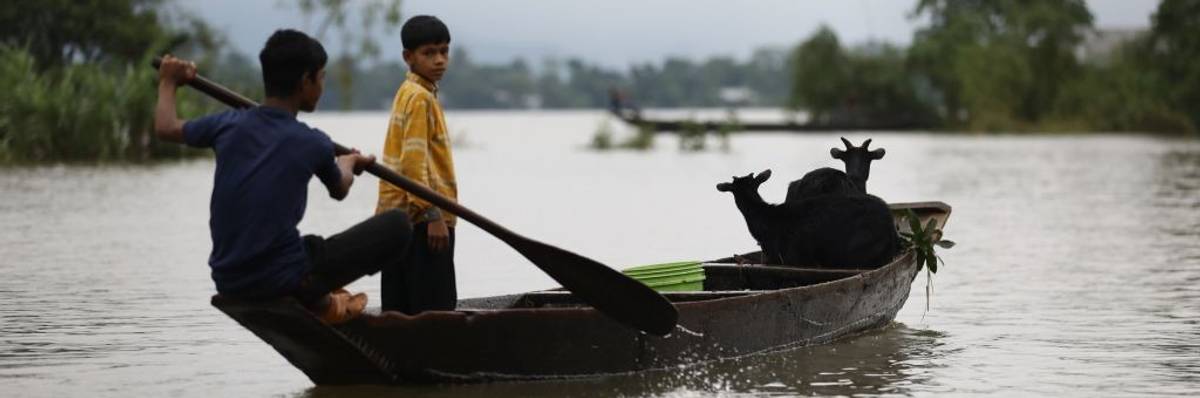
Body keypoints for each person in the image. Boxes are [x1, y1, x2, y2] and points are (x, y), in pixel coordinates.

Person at [153, 29, 412, 324]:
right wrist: (350, 163)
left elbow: (166, 126)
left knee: (307, 246)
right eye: (322, 77)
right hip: (280, 277)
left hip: (228, 278)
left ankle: (323, 297)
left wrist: (168, 81)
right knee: (398, 225)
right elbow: (340, 188)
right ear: (305, 81)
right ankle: (323, 302)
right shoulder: (313, 141)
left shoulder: (229, 124)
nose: (322, 85)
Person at [376, 15, 458, 315]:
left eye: (444, 51)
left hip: (399, 222)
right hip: (423, 221)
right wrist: (432, 213)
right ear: (408, 57)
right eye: (429, 53)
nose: (439, 60)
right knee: (435, 310)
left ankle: (402, 360)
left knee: (400, 308)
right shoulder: (420, 97)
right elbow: (413, 165)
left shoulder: (408, 91)